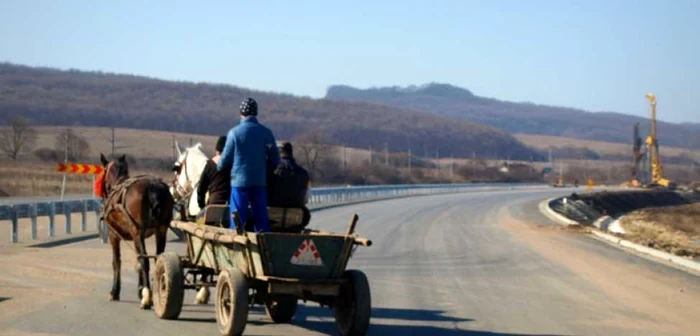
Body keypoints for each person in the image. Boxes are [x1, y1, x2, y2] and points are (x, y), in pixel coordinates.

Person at [217, 98, 280, 232]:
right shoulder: (266, 133)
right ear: (256, 113)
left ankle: (237, 245)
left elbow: (224, 161)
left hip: (238, 183)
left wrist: (219, 166)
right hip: (259, 182)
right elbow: (275, 159)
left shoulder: (234, 133)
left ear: (241, 113)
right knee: (261, 218)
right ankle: (264, 245)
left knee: (238, 219)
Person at [267, 142, 310, 208]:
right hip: (296, 211)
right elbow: (306, 198)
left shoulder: (272, 169)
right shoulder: (304, 173)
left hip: (274, 209)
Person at [197, 136, 230, 210]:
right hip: (231, 204)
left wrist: (202, 206)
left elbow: (201, 189)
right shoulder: (234, 165)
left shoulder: (210, 165)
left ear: (217, 151)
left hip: (214, 203)